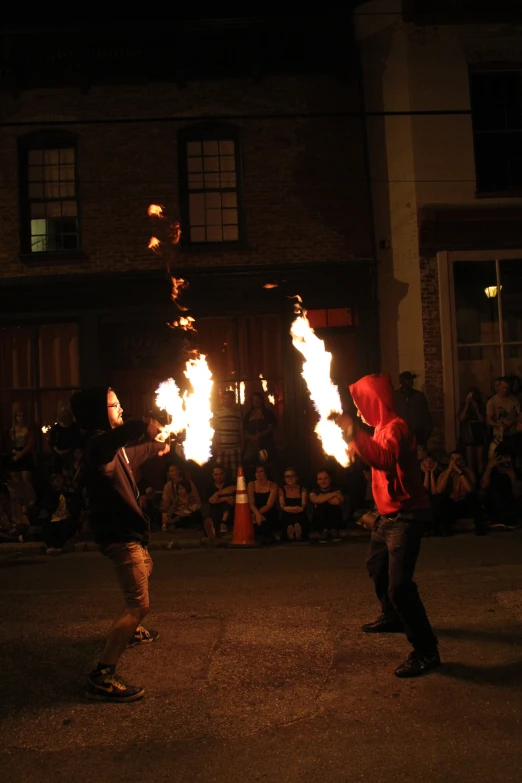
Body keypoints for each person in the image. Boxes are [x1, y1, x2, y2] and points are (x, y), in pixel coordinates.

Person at [70, 386, 170, 703]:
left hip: (128, 533)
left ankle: (131, 631)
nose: (121, 408)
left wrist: (157, 446)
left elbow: (133, 453)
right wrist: (142, 424)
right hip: (119, 536)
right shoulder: (98, 447)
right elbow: (114, 444)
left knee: (147, 566)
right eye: (115, 404)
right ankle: (102, 675)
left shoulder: (113, 449)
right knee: (138, 605)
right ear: (100, 412)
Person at [341, 373, 440, 679]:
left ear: (375, 403)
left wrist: (354, 434)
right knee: (376, 567)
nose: (359, 411)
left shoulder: (394, 428)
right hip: (388, 516)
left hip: (406, 517)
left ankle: (426, 651)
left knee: (400, 587)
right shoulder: (380, 428)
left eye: (361, 404)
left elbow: (384, 460)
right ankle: (393, 616)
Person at [434, 451, 485, 536]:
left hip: (464, 504)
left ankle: (480, 528)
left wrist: (459, 472)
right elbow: (439, 490)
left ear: (463, 462)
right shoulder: (444, 473)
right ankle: (443, 529)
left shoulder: (469, 472)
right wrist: (449, 471)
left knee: (473, 497)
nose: (454, 462)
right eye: (452, 459)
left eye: (458, 460)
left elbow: (470, 490)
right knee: (440, 498)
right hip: (451, 505)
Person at [481, 445, 522, 529]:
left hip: (510, 505)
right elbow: (483, 486)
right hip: (494, 504)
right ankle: (498, 520)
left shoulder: (515, 471)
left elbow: (517, 494)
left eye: (510, 457)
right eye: (506, 457)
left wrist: (512, 476)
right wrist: (489, 467)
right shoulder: (492, 470)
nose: (509, 460)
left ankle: (509, 520)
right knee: (493, 490)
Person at [393, 371, 433, 448]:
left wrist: (425, 435)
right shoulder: (395, 397)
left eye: (411, 380)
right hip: (400, 436)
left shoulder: (419, 396)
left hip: (418, 436)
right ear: (402, 382)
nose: (411, 382)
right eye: (408, 380)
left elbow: (426, 416)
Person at [243, 393, 277, 479]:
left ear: (262, 400)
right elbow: (244, 429)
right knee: (250, 465)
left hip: (266, 444)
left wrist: (259, 436)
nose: (256, 402)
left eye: (258, 399)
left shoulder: (268, 413)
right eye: (254, 400)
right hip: (252, 445)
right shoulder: (248, 415)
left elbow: (271, 427)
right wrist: (251, 437)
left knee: (269, 465)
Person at [486, 377, 520, 459]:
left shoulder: (514, 399)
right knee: (498, 457)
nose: (505, 390)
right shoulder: (492, 401)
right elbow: (488, 420)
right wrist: (498, 424)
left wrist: (512, 421)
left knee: (513, 457)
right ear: (498, 387)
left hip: (512, 434)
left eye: (507, 388)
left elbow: (520, 414)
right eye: (503, 388)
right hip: (498, 435)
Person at [212, 390, 243, 480]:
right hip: (222, 449)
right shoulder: (217, 414)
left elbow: (240, 430)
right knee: (221, 475)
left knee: (236, 475)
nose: (226, 400)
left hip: (235, 448)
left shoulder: (237, 413)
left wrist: (242, 446)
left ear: (233, 399)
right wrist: (216, 446)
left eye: (228, 398)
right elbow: (214, 431)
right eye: (224, 398)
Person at [457, 387, 487, 477]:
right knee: (470, 460)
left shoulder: (480, 406)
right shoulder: (463, 405)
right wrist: (467, 404)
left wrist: (475, 405)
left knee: (480, 459)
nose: (471, 397)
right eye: (470, 395)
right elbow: (461, 418)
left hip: (479, 432)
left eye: (473, 395)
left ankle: (481, 481)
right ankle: (472, 480)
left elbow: (482, 419)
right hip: (468, 433)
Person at [309, 469, 344, 543]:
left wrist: (322, 497)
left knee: (332, 507)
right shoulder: (313, 491)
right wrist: (332, 495)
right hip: (320, 520)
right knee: (320, 507)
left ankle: (333, 530)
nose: (323, 481)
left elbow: (337, 501)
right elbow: (315, 500)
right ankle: (323, 531)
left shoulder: (336, 489)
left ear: (330, 479)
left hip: (334, 519)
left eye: (325, 478)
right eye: (320, 479)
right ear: (317, 481)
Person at [247, 464, 279, 544]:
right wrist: (256, 514)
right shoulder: (251, 484)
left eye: (261, 471)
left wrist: (258, 514)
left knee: (264, 522)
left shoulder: (273, 485)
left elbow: (269, 505)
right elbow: (251, 502)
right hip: (254, 510)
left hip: (268, 511)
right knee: (253, 522)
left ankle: (267, 537)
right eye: (256, 472)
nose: (258, 474)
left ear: (266, 473)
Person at [202, 464, 236, 540]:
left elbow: (234, 488)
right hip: (216, 510)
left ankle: (221, 525)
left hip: (230, 511)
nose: (218, 477)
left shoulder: (230, 483)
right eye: (216, 475)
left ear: (224, 474)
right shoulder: (209, 486)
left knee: (228, 503)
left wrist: (217, 494)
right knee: (213, 510)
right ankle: (212, 530)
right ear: (212, 475)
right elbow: (211, 501)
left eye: (220, 474)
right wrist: (225, 498)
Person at [279, 467, 308, 542]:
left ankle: (298, 531)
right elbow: (282, 505)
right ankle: (290, 532)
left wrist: (300, 508)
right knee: (287, 517)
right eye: (287, 476)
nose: (290, 478)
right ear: (284, 479)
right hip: (287, 511)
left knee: (300, 518)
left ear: (296, 477)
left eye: (292, 476)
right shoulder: (282, 490)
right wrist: (288, 509)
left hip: (299, 511)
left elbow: (304, 504)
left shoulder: (302, 489)